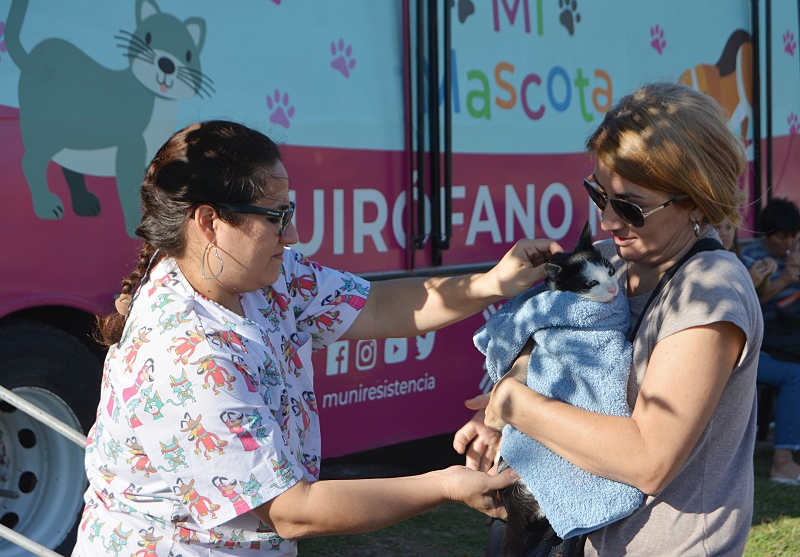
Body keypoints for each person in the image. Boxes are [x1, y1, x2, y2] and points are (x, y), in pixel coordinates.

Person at [72, 120, 563, 556]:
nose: (293, 235)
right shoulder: (185, 354)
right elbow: (293, 510)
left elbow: (375, 307)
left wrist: (494, 282)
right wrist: (444, 486)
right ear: (209, 223)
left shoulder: (255, 274)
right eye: (276, 216)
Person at [454, 82, 763, 555]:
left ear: (698, 201)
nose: (608, 222)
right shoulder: (607, 260)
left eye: (630, 207)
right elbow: (547, 338)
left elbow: (647, 459)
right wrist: (497, 418)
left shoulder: (709, 291)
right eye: (600, 196)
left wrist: (513, 403)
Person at [740, 197, 800, 485]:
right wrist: (788, 277)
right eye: (782, 235)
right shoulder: (752, 258)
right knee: (794, 375)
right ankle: (782, 460)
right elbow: (751, 302)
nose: (788, 241)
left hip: (787, 344)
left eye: (793, 234)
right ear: (765, 235)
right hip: (757, 349)